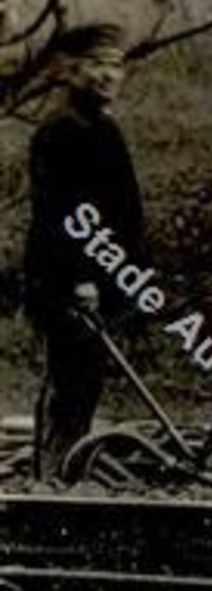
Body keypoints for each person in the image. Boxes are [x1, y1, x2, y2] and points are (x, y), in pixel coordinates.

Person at [24, 24, 147, 479]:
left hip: (103, 278)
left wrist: (133, 272)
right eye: (96, 65)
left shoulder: (105, 130)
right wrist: (81, 279)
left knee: (87, 378)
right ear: (72, 71)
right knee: (69, 378)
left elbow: (124, 212)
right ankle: (51, 479)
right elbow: (60, 216)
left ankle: (66, 471)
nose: (108, 75)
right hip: (68, 283)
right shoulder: (59, 132)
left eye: (115, 66)